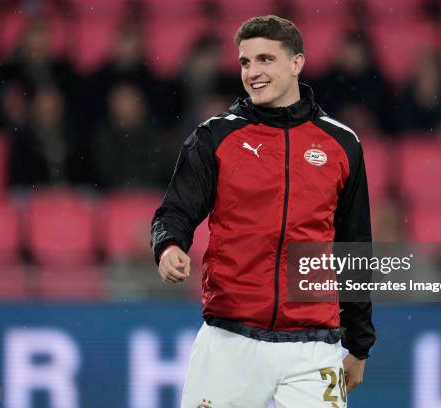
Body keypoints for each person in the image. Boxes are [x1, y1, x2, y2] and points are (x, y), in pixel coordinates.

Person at [151, 15, 375, 407]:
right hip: (229, 342)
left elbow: (354, 248)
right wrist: (169, 245)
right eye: (245, 62)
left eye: (265, 60)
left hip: (314, 349)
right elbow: (175, 211)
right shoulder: (214, 137)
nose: (252, 72)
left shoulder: (342, 144)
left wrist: (358, 344)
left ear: (296, 63)